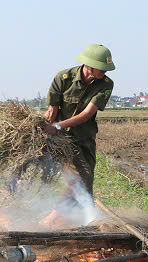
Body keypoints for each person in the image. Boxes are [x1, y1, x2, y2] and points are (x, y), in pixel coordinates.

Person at [14, 43, 115, 195]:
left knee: (86, 178)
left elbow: (87, 114)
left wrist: (58, 126)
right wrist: (42, 133)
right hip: (60, 138)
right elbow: (52, 110)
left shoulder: (106, 85)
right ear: (89, 65)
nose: (105, 71)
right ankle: (59, 216)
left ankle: (65, 216)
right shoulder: (63, 78)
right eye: (102, 67)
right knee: (76, 180)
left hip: (84, 137)